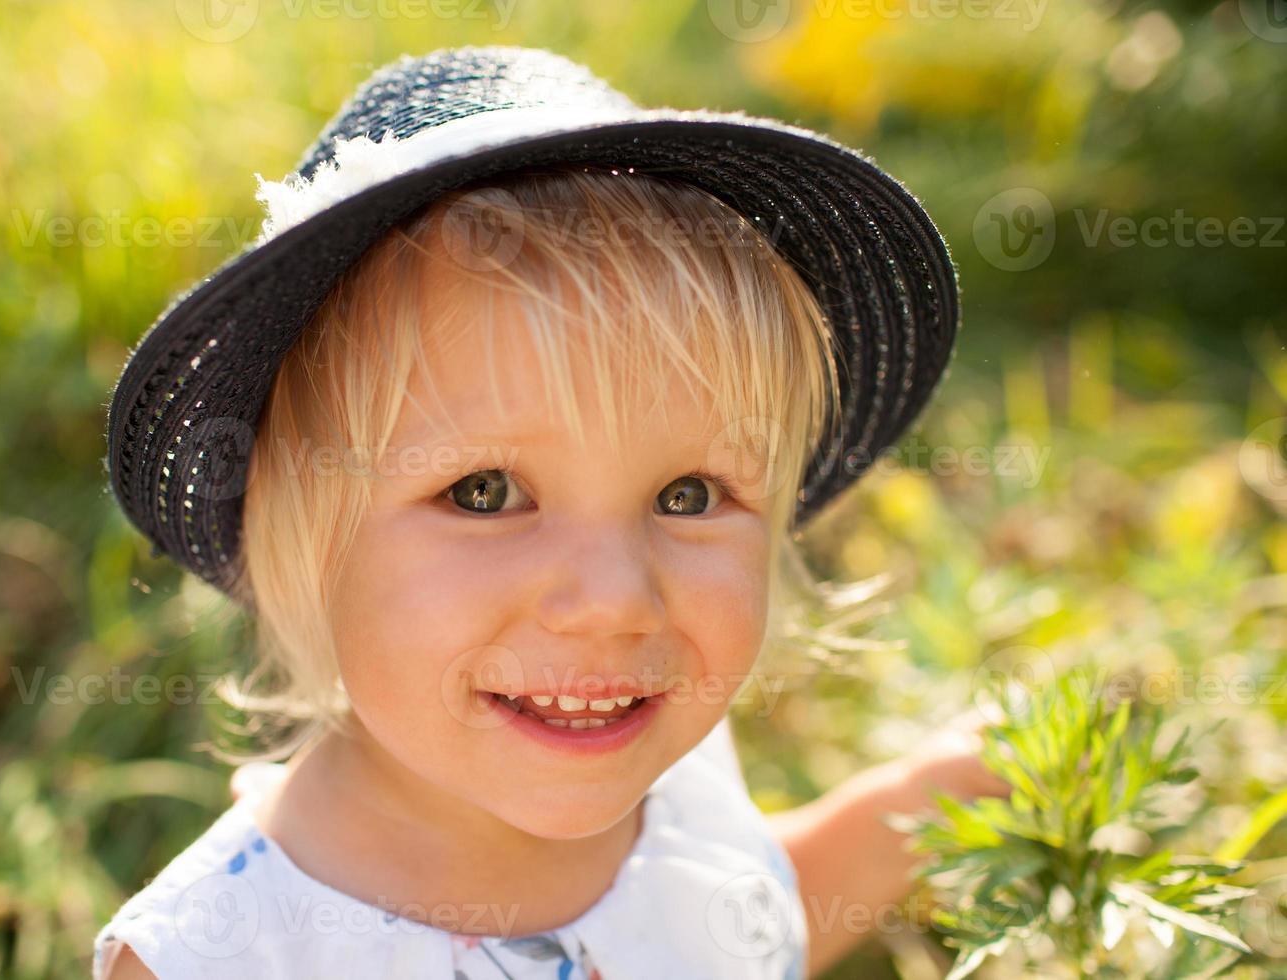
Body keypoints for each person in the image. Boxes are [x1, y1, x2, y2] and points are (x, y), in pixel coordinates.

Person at [94, 44, 1008, 979]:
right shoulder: (224, 953)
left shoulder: (672, 774)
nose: (615, 601)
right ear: (303, 540)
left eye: (687, 497)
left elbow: (735, 931)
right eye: (484, 494)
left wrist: (918, 801)